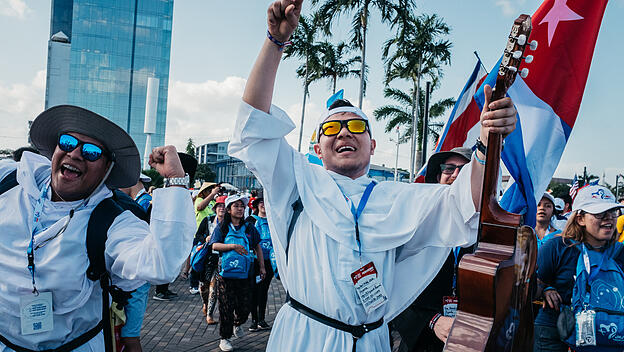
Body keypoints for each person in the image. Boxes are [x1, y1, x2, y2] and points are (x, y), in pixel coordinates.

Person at [227, 1, 518, 350]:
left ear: (372, 144)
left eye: (356, 126)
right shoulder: (295, 182)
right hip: (304, 338)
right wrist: (275, 43)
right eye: (332, 127)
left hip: (371, 342)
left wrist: (488, 138)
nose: (344, 133)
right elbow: (255, 125)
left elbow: (463, 203)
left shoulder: (395, 199)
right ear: (317, 149)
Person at [0, 105, 195, 351]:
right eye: (68, 142)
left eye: (92, 152)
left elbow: (162, 265)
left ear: (107, 169)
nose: (75, 154)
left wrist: (176, 180)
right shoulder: (9, 182)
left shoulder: (112, 221)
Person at [390, 147, 472, 352]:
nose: (455, 175)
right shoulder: (412, 225)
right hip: (417, 339)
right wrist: (433, 320)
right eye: (449, 169)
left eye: (464, 170)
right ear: (438, 177)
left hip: (470, 340)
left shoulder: (488, 234)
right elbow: (392, 289)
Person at [534, 185, 624, 352]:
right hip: (554, 330)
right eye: (600, 214)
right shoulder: (557, 247)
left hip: (607, 335)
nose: (609, 219)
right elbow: (533, 285)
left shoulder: (621, 252)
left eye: (612, 212)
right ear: (580, 219)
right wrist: (545, 287)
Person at [210, 194, 266, 351]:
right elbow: (214, 246)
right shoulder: (222, 227)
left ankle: (238, 323)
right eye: (236, 206)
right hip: (225, 275)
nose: (240, 209)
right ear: (228, 210)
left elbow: (257, 246)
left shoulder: (249, 228)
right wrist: (233, 246)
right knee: (225, 307)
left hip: (245, 273)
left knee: (245, 306)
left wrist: (262, 266)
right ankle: (225, 338)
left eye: (242, 206)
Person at [117, 173, 154, 352]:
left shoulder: (142, 202)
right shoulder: (140, 201)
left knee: (130, 336)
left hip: (136, 275)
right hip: (131, 274)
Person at [247, 197, 275, 332]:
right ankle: (253, 320)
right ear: (257, 205)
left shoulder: (274, 220)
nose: (264, 205)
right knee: (253, 290)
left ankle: (261, 319)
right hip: (254, 261)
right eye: (261, 202)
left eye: (266, 202)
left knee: (263, 290)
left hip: (269, 261)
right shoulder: (250, 220)